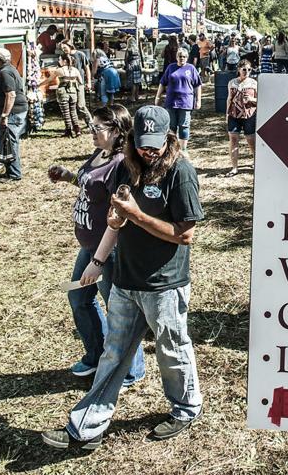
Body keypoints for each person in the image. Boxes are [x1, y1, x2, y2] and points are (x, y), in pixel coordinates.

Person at [42, 105, 204, 449]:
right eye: (141, 144)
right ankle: (85, 429)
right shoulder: (126, 168)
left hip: (164, 283)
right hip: (126, 279)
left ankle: (186, 408)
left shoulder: (181, 172)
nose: (148, 151)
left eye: (154, 145)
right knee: (113, 353)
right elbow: (116, 220)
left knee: (171, 349)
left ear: (168, 138)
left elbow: (185, 233)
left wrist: (137, 215)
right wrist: (98, 260)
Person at [47, 104, 146, 385]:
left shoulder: (121, 165)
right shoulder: (100, 153)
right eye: (91, 125)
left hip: (107, 252)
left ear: (117, 131)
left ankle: (131, 369)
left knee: (119, 310)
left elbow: (120, 215)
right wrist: (68, 176)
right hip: (89, 246)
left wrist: (99, 260)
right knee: (78, 298)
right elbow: (89, 182)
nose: (92, 131)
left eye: (98, 127)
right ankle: (97, 355)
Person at [0, 48, 28, 181]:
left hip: (13, 112)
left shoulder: (6, 72)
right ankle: (10, 171)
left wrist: (5, 115)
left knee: (10, 141)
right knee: (6, 140)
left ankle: (14, 174)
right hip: (7, 111)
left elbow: (11, 94)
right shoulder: (3, 71)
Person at [156, 48, 202, 152]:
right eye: (180, 56)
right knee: (171, 126)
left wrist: (198, 100)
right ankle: (172, 149)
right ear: (177, 57)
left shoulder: (191, 68)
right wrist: (157, 97)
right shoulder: (171, 67)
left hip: (186, 102)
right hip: (171, 102)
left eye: (184, 56)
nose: (182, 58)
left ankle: (183, 149)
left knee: (184, 126)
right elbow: (163, 82)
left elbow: (198, 85)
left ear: (187, 57)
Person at [225, 62, 258, 177]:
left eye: (249, 70)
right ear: (239, 69)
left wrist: (251, 99)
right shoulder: (232, 82)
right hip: (234, 115)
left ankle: (256, 162)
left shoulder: (254, 83)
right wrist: (226, 114)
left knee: (251, 140)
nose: (247, 72)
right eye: (244, 69)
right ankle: (234, 167)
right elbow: (229, 98)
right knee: (233, 139)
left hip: (249, 115)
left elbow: (260, 99)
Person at [55, 53, 84, 137]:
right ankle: (77, 129)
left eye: (60, 59)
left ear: (64, 61)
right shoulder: (75, 70)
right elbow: (81, 82)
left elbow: (49, 79)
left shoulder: (59, 70)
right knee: (73, 111)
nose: (59, 61)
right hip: (73, 93)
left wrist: (39, 85)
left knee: (66, 112)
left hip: (63, 93)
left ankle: (68, 131)